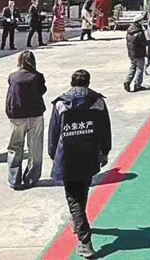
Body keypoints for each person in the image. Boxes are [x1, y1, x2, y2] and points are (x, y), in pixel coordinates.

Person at [48, 69, 112, 259]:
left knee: (74, 198)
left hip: (67, 157)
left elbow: (54, 132)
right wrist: (105, 151)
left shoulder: (61, 104)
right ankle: (78, 222)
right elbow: (105, 129)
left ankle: (85, 241)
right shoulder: (97, 102)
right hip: (89, 155)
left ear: (72, 83)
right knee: (82, 191)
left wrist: (53, 155)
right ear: (88, 83)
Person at [6, 50, 47, 190]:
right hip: (35, 115)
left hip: (16, 116)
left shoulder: (13, 76)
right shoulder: (38, 76)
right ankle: (31, 178)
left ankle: (14, 179)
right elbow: (42, 91)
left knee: (15, 147)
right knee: (35, 148)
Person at [124, 13, 150, 93]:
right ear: (139, 21)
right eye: (142, 20)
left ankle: (127, 81)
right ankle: (137, 85)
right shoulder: (139, 32)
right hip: (139, 53)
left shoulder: (129, 30)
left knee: (133, 67)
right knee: (140, 69)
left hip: (132, 54)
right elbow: (144, 43)